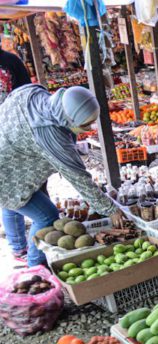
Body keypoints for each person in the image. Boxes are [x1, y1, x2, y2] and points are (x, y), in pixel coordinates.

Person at [0, 84, 124, 267]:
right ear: (68, 119)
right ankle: (35, 267)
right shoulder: (52, 137)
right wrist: (110, 209)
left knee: (12, 204)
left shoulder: (33, 94)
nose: (89, 128)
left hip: (9, 163)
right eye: (84, 125)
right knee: (47, 216)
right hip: (7, 177)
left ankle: (18, 248)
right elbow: (79, 177)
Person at [0, 48, 33, 263]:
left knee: (11, 190)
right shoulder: (10, 61)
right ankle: (21, 246)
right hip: (16, 132)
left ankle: (22, 245)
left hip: (17, 131)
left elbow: (27, 92)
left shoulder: (10, 61)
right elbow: (28, 94)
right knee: (12, 190)